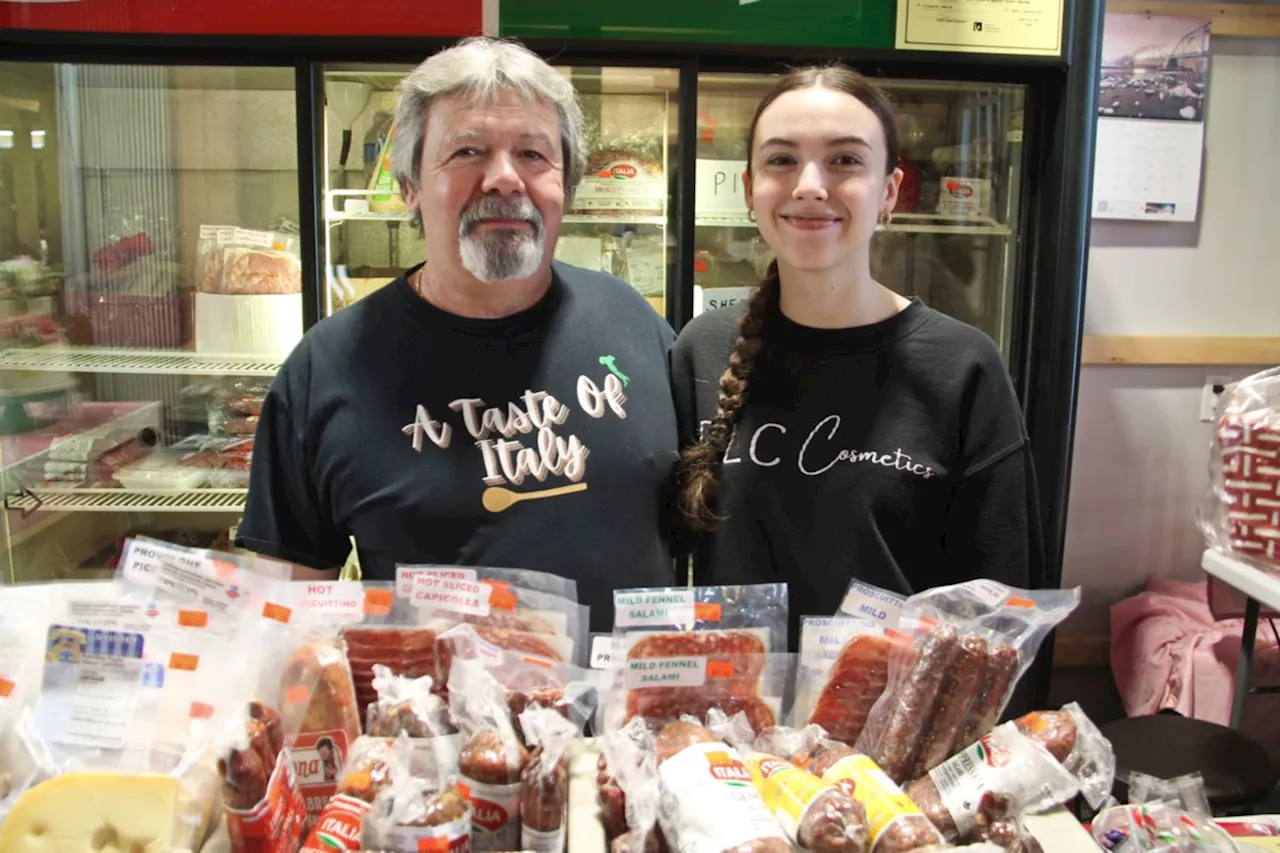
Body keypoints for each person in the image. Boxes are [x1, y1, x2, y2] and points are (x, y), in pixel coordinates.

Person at [237, 38, 680, 630]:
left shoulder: (631, 322)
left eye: (533, 154)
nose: (504, 178)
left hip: (635, 714)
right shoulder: (329, 366)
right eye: (468, 151)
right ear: (410, 185)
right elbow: (287, 606)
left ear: (565, 188)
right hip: (442, 718)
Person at [669, 66, 1045, 647]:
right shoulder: (702, 350)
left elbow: (1003, 609)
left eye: (845, 160)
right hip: (732, 722)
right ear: (749, 190)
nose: (810, 185)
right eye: (781, 160)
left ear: (889, 191)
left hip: (891, 725)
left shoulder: (962, 366)